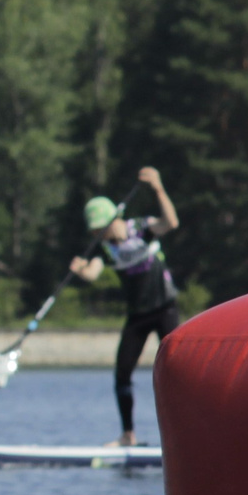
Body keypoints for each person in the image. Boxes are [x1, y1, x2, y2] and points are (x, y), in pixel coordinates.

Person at [67, 165, 182, 447]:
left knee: (178, 371)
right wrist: (81, 271)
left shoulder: (141, 230)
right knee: (121, 374)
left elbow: (171, 222)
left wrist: (157, 187)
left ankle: (184, 434)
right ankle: (128, 435)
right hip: (137, 316)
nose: (96, 235)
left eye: (98, 229)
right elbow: (93, 273)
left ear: (111, 220)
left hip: (165, 308)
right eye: (93, 231)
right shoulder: (105, 249)